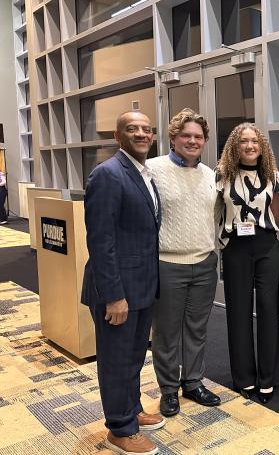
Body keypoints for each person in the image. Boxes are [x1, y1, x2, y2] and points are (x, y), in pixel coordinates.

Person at [81, 111, 164, 455]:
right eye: (133, 129)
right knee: (116, 360)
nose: (141, 134)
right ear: (118, 136)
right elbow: (101, 241)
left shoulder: (143, 173)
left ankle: (130, 410)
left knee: (132, 357)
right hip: (117, 291)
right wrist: (114, 296)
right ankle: (120, 429)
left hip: (141, 285)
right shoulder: (108, 175)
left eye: (146, 129)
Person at [147, 109, 221, 417]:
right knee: (166, 332)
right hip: (167, 263)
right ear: (173, 138)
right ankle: (168, 390)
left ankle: (192, 382)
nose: (192, 141)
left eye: (198, 137)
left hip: (204, 262)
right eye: (186, 136)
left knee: (197, 329)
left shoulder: (212, 175)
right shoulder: (152, 169)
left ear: (205, 141)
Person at [216, 122, 279, 404]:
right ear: (235, 145)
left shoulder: (272, 175)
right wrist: (221, 241)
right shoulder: (222, 175)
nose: (250, 146)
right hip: (236, 248)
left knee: (269, 310)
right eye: (243, 141)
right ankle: (244, 378)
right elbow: (216, 212)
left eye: (255, 141)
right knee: (239, 312)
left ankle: (268, 378)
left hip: (267, 246)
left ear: (262, 146)